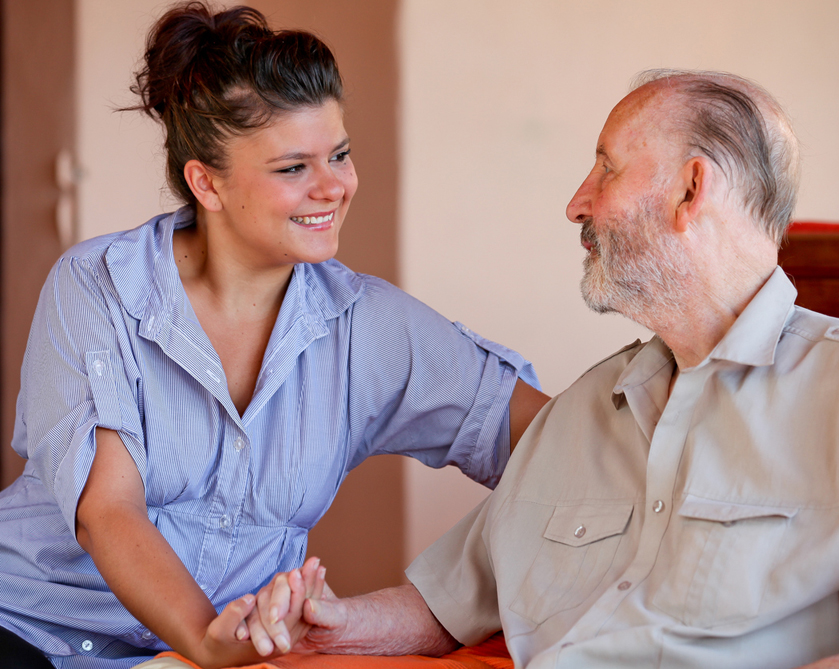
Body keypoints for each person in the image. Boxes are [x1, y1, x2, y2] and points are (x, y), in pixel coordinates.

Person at [195, 69, 839, 669]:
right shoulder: (581, 411)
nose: (577, 203)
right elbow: (448, 604)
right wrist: (330, 620)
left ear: (691, 189)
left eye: (606, 169)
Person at [0, 4, 549, 669]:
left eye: (339, 155)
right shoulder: (98, 286)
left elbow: (549, 441)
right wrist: (206, 637)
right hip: (30, 627)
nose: (334, 187)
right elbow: (107, 510)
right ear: (206, 181)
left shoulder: (366, 327)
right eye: (293, 168)